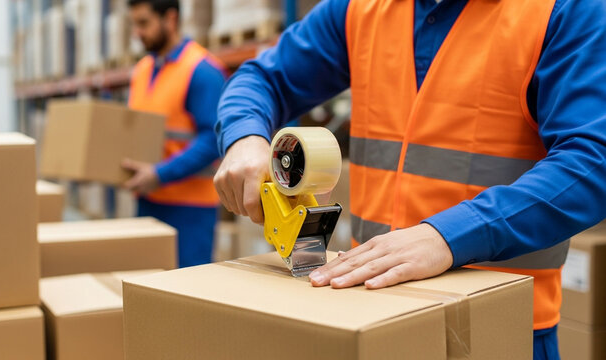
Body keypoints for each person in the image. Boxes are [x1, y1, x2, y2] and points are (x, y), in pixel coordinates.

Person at [212, 0, 606, 358]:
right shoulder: (358, 10)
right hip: (366, 313)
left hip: (499, 329)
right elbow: (263, 79)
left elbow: (593, 161)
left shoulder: (563, 10)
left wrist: (449, 235)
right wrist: (245, 137)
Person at [124, 0, 226, 267]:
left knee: (186, 298)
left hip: (189, 210)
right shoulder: (142, 70)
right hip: (148, 202)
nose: (137, 32)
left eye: (144, 23)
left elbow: (213, 139)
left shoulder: (202, 71)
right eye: (134, 24)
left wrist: (159, 174)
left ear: (170, 19)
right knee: (146, 292)